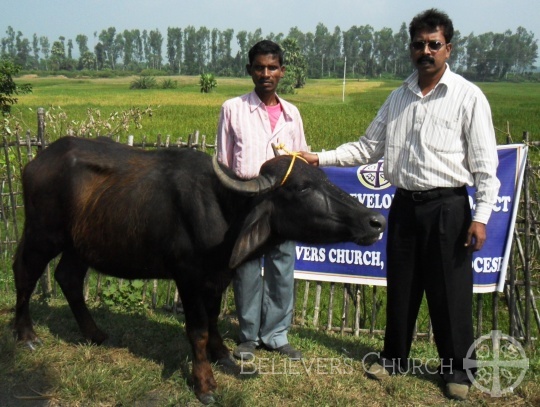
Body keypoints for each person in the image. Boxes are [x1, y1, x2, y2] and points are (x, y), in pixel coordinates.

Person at [301, 9, 500, 401]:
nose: (425, 51)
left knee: (449, 292)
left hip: (448, 207)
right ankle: (394, 359)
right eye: (418, 44)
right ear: (410, 48)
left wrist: (480, 217)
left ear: (448, 48)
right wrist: (318, 157)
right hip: (406, 205)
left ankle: (457, 369)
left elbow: (485, 167)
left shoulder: (467, 96)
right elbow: (366, 147)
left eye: (433, 44)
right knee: (403, 287)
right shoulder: (397, 98)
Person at [216, 40, 307, 361]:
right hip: (246, 202)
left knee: (283, 267)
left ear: (282, 71)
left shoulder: (291, 114)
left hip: (282, 206)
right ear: (249, 70)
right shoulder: (233, 109)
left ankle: (276, 335)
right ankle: (248, 335)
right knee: (248, 269)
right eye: (259, 67)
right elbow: (223, 164)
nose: (266, 74)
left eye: (272, 67)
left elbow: (299, 164)